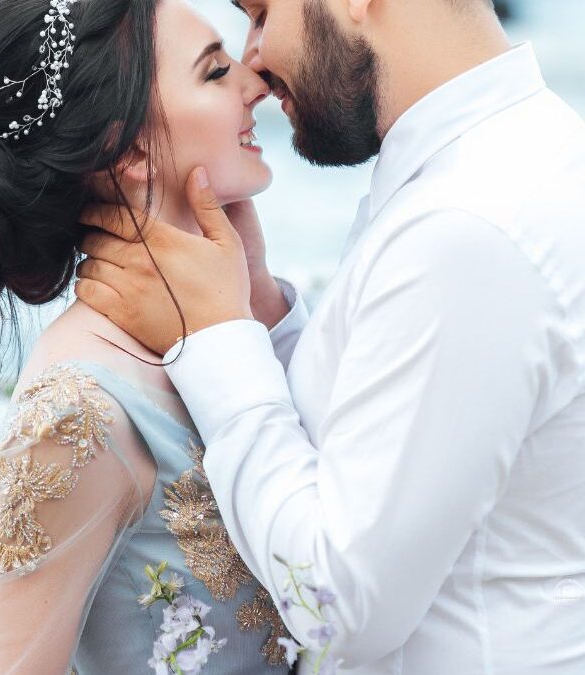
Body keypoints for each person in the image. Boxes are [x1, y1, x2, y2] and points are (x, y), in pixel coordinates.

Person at [74, 0, 585, 672]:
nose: (252, 60)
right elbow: (389, 456)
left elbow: (339, 603)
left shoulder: (467, 225)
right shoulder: (520, 155)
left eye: (260, 14)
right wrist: (263, 315)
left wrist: (217, 337)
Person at [0, 0, 303, 672]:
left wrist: (258, 304)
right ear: (130, 147)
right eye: (216, 71)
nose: (255, 83)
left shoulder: (241, 329)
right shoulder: (79, 408)